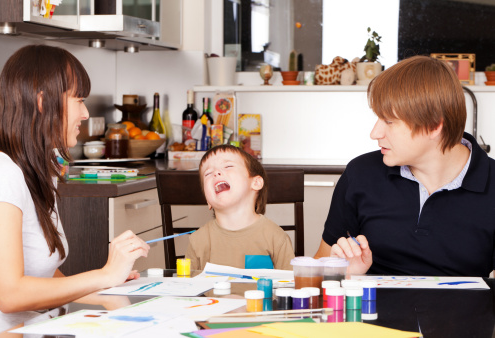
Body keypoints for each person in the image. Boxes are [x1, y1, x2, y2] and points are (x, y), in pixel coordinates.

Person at [0, 45, 150, 335]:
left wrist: (105, 287)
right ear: (42, 101)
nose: (86, 113)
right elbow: (10, 296)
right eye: (79, 100)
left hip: (35, 326)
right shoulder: (1, 173)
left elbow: (43, 274)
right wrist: (103, 275)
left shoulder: (40, 168)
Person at [314, 55, 495, 277]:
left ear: (433, 126)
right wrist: (343, 275)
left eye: (389, 122)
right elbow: (318, 271)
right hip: (372, 310)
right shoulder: (360, 174)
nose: (375, 133)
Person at [185, 145, 295, 271]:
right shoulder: (197, 240)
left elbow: (289, 287)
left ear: (256, 183)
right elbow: (188, 287)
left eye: (228, 166)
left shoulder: (276, 238)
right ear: (208, 201)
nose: (216, 173)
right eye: (208, 173)